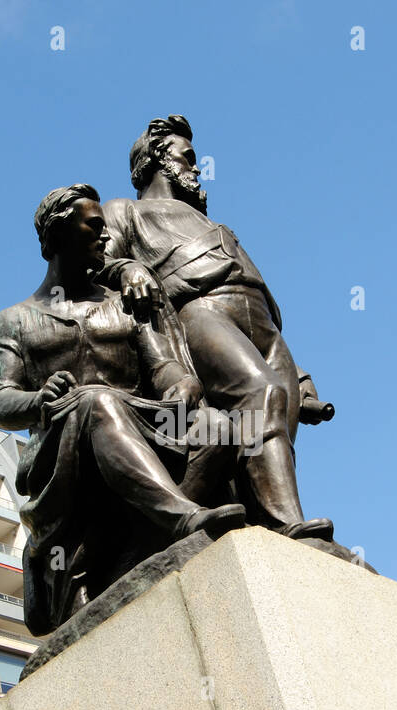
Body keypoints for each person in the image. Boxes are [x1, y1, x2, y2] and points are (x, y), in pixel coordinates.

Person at [0, 183, 245, 634]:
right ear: (57, 235)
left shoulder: (122, 304)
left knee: (217, 427)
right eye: (93, 227)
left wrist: (182, 387)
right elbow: (0, 402)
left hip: (142, 423)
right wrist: (39, 399)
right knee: (95, 399)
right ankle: (180, 518)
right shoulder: (15, 319)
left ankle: (123, 562)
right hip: (62, 454)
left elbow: (164, 366)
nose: (105, 238)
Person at [98, 115, 334, 541]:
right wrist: (129, 267)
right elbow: (98, 264)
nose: (195, 167)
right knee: (260, 392)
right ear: (157, 160)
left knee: (274, 415)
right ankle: (286, 526)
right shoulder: (125, 211)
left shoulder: (217, 226)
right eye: (186, 157)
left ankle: (275, 524)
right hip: (201, 311)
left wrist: (302, 376)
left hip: (264, 327)